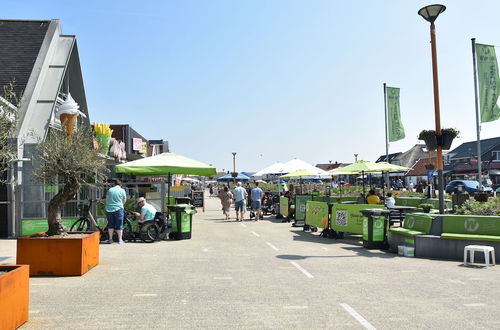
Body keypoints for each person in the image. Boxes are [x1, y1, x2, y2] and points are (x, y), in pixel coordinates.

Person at [105, 179, 127, 244]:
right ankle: (120, 240)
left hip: (109, 209)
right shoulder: (122, 190)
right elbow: (124, 199)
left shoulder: (110, 190)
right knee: (119, 224)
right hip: (118, 208)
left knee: (110, 224)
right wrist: (121, 205)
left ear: (114, 184)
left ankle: (110, 239)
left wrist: (108, 205)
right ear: (120, 185)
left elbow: (107, 199)